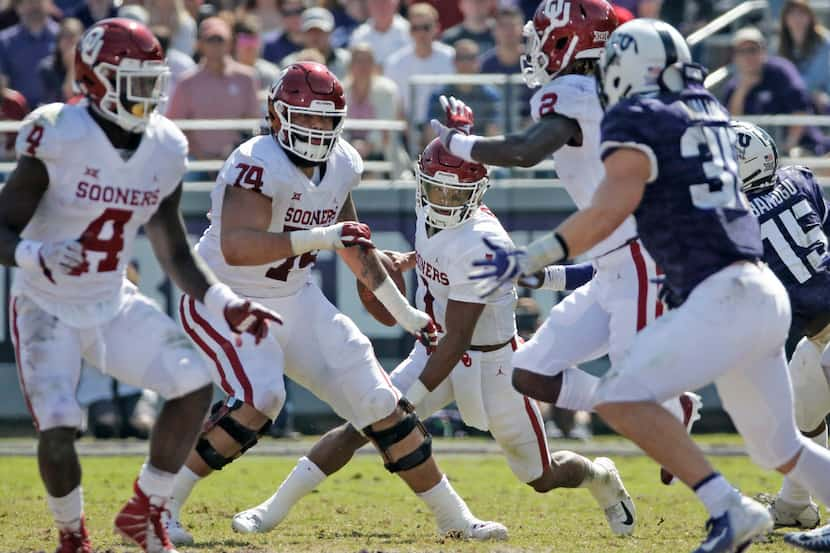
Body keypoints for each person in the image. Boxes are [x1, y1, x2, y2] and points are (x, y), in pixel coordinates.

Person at [471, 17, 830, 553]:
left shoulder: (638, 116)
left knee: (618, 396)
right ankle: (732, 506)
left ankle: (728, 507)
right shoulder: (706, 110)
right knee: (780, 445)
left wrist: (536, 255)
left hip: (720, 293)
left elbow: (610, 208)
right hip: (762, 294)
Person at [163, 62, 507, 546]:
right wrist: (321, 237)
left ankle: (454, 517)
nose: (318, 128)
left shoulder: (343, 162)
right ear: (278, 116)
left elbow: (353, 244)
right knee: (262, 398)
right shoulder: (255, 159)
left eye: (327, 119)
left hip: (296, 298)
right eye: (308, 117)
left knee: (379, 401)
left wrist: (408, 315)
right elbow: (239, 246)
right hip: (226, 295)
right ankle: (159, 504)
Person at [229, 132, 637, 537]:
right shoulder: (431, 215)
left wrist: (414, 400)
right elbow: (440, 264)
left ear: (477, 195)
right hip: (435, 352)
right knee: (365, 420)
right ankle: (271, 508)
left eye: (455, 196)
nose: (443, 203)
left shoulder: (482, 241)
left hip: (495, 365)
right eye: (436, 191)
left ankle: (599, 476)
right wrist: (406, 263)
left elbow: (459, 336)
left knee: (541, 476)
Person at [0, 17, 281, 553]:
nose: (148, 94)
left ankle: (144, 509)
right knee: (59, 423)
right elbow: (1, 226)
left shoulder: (164, 146)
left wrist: (226, 302)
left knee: (195, 383)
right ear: (97, 79)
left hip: (110, 297)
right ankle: (71, 532)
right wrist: (38, 253)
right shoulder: (58, 131)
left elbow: (173, 249)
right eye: (135, 81)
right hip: (45, 303)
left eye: (153, 81)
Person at [429, 0, 699, 487]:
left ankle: (677, 418)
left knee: (631, 395)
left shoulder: (571, 90)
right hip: (613, 260)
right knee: (528, 371)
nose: (535, 47)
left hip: (638, 256)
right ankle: (661, 408)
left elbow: (525, 151)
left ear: (568, 40)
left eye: (543, 35)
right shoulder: (605, 87)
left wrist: (457, 144)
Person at [732, 121, 830, 531]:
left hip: (815, 320)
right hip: (818, 329)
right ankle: (794, 505)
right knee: (802, 415)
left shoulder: (737, 220)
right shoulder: (800, 180)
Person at [166, 16, 261, 161]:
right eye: (211, 40)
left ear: (230, 44)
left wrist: (233, 151)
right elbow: (176, 126)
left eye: (220, 40)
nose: (216, 46)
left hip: (238, 159)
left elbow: (252, 122)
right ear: (200, 44)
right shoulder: (186, 82)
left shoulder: (247, 78)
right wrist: (200, 155)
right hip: (195, 160)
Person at [725, 26, 830, 156]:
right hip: (754, 157)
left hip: (800, 146)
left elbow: (800, 112)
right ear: (734, 56)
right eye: (741, 51)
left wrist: (784, 149)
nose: (748, 56)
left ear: (763, 51)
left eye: (752, 50)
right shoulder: (733, 86)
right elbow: (734, 126)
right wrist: (742, 90)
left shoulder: (781, 72)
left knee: (797, 157)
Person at [383, 2, 453, 125]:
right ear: (409, 31)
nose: (421, 33)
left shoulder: (450, 58)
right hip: (406, 131)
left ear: (437, 28)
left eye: (426, 27)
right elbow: (394, 103)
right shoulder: (395, 62)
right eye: (415, 28)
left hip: (444, 127)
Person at [425, 39, 501, 140]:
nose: (465, 63)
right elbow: (431, 134)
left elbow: (493, 134)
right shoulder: (439, 95)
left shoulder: (491, 95)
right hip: (447, 152)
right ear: (453, 62)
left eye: (470, 58)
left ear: (478, 61)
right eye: (461, 58)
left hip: (480, 151)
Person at [343, 43, 401, 162]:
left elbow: (386, 126)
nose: (363, 65)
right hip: (346, 152)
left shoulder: (387, 90)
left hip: (381, 153)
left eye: (368, 61)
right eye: (359, 61)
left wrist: (368, 146)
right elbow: (338, 126)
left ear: (374, 64)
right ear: (350, 65)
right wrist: (350, 146)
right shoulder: (341, 90)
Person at [0, 0, 58, 108]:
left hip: (60, 116)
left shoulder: (64, 37)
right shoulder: (4, 42)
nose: (35, 6)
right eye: (29, 2)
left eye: (39, 1)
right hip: (19, 118)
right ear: (18, 7)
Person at [779, 0, 830, 113]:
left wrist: (788, 86)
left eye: (801, 13)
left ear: (810, 16)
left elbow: (816, 79)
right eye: (792, 13)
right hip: (795, 96)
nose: (797, 18)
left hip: (821, 96)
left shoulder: (824, 42)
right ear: (785, 19)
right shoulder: (780, 45)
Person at [282, 7, 350, 79]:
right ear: (302, 34)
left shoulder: (346, 60)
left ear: (331, 32)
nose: (315, 36)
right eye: (310, 31)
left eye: (320, 31)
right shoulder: (289, 64)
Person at [39, 18, 84, 104]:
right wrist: (72, 66)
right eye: (63, 35)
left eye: (72, 35)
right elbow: (66, 99)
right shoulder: (47, 68)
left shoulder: (90, 65)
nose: (68, 40)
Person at [233, 15, 281, 94]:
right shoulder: (224, 72)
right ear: (234, 42)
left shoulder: (272, 72)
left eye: (253, 40)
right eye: (244, 40)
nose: (249, 46)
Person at [263, 0, 306, 65]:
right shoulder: (271, 46)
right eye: (288, 13)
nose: (294, 17)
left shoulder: (318, 40)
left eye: (298, 11)